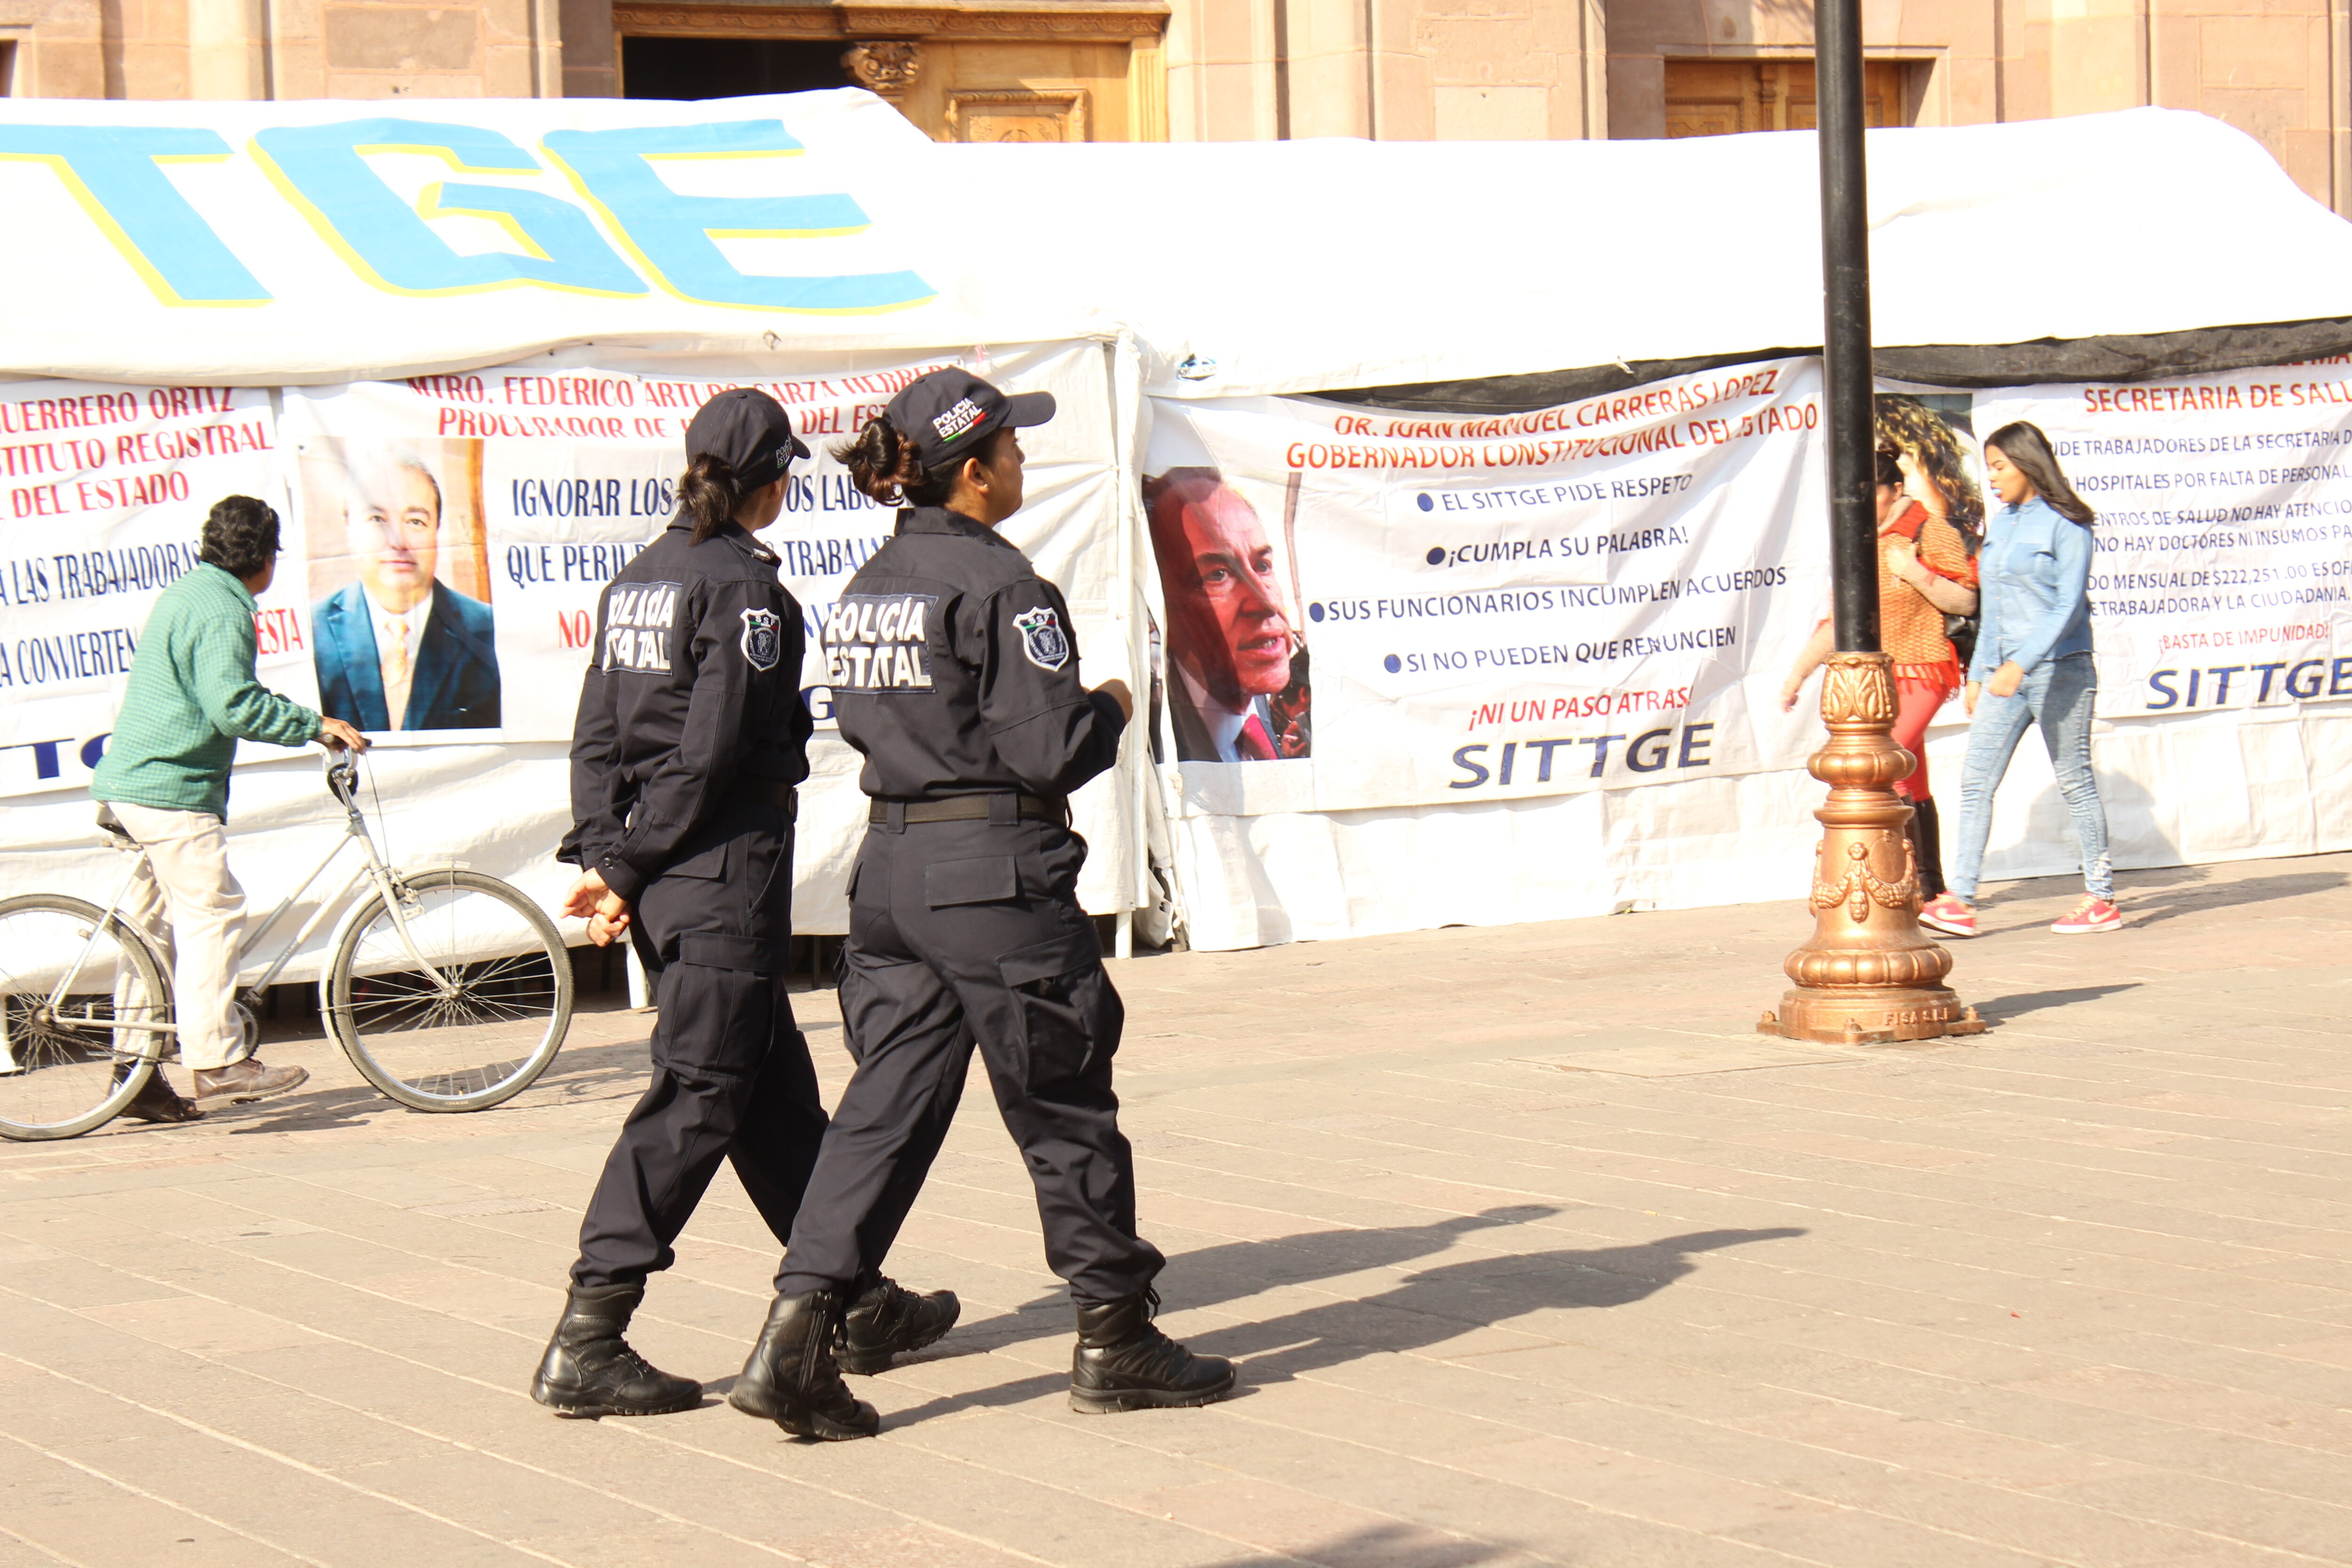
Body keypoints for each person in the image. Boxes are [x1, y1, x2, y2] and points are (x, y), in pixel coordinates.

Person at [730, 369, 1237, 1441]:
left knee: (878, 1112)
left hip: (894, 877)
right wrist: (1106, 704)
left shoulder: (870, 585)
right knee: (1061, 1104)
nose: (1020, 463)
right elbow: (1048, 746)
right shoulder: (1003, 587)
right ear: (971, 473)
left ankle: (794, 1338)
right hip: (992, 875)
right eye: (1010, 448)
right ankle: (1114, 1335)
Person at [531, 390, 955, 1420]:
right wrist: (625, 868)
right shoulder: (745, 593)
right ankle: (591, 1332)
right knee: (695, 1102)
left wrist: (606, 849)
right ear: (768, 481)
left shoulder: (640, 578)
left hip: (677, 878)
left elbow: (598, 737)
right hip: (718, 879)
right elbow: (711, 753)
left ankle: (854, 1300)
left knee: (775, 1108)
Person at [91, 495, 369, 1120]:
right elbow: (233, 706)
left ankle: (134, 1077)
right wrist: (313, 724)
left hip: (135, 784)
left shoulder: (190, 591)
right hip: (170, 791)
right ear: (267, 558)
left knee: (152, 935)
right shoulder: (223, 610)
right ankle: (216, 1062)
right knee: (213, 914)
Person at [1920, 421, 2121, 938]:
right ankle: (1960, 899)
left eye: (1999, 466)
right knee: (1974, 782)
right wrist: (1980, 672)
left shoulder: (2067, 525)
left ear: (2027, 464)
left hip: (2062, 671)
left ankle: (2099, 897)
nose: (1991, 478)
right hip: (2002, 676)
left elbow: (2065, 606)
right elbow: (1995, 605)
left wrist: (2020, 664)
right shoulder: (2002, 524)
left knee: (2074, 780)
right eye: (1987, 468)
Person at [1781, 447, 1979, 898]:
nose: (1864, 501)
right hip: (1880, 679)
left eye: (1872, 492)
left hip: (1926, 668)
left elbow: (1966, 601)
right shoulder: (1860, 541)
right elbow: (1837, 624)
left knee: (1879, 766)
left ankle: (1895, 880)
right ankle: (1929, 888)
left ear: (1896, 490)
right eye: (1856, 493)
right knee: (1910, 777)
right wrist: (1797, 677)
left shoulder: (1930, 530)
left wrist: (1912, 571)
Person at [311, 445, 501, 732]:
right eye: (377, 519)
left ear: (437, 530)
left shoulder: (488, 629)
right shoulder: (313, 630)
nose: (398, 542)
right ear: (349, 528)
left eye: (416, 522)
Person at [1144, 470, 1308, 761]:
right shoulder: (1145, 743)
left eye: (1263, 566)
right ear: (1158, 603)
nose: (1266, 604)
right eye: (1218, 575)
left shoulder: (1266, 709)